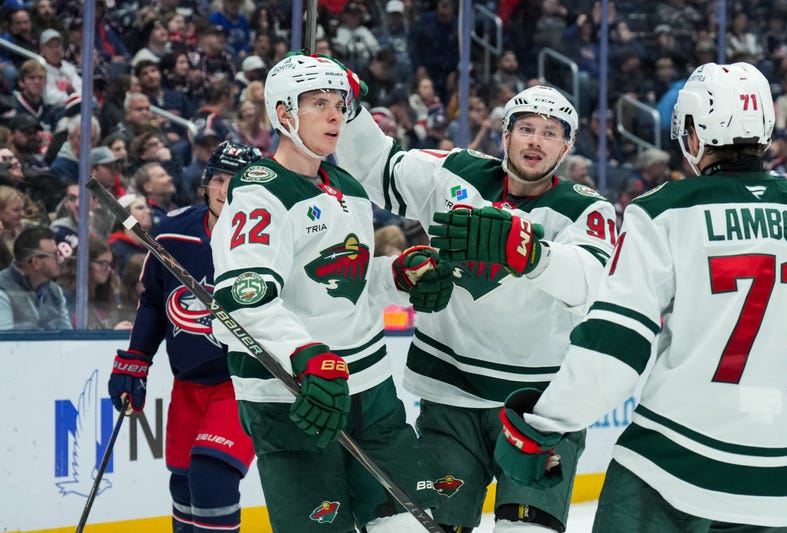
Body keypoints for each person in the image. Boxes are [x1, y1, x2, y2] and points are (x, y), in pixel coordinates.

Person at [490, 62, 787, 531]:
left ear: (693, 133)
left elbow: (615, 349)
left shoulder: (663, 212)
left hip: (674, 466)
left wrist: (547, 424)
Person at [336, 79, 617, 532]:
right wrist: (346, 109)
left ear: (566, 147)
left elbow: (593, 281)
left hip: (539, 409)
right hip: (451, 400)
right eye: (526, 128)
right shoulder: (455, 171)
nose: (536, 141)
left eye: (551, 132)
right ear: (505, 135)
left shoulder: (587, 209)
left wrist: (530, 253)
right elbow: (376, 164)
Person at [209, 53, 450, 533]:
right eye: (318, 103)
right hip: (297, 399)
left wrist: (398, 276)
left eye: (339, 103)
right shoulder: (259, 194)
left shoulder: (347, 186)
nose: (336, 114)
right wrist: (304, 354)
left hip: (373, 389)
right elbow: (243, 300)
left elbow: (346, 283)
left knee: (412, 525)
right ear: (283, 114)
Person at [107, 141, 262, 532]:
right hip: (189, 382)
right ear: (207, 183)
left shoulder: (268, 238)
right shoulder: (174, 232)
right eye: (221, 180)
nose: (228, 192)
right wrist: (135, 362)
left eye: (240, 183)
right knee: (184, 482)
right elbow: (156, 302)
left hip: (242, 382)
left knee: (212, 474)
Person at [0, 226, 71, 330]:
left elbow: (68, 338)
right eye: (55, 255)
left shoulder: (55, 292)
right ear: (36, 262)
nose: (60, 259)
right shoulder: (3, 291)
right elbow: (5, 342)